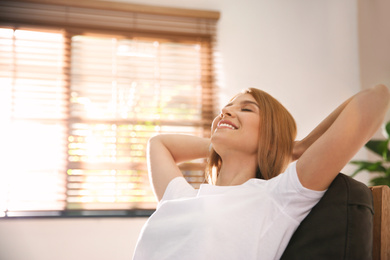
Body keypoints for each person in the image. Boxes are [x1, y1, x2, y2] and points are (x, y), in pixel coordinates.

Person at [132, 85, 390, 260]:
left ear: (271, 134)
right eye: (227, 107)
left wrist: (296, 147)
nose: (226, 111)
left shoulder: (278, 195)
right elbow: (158, 143)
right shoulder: (181, 197)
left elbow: (376, 98)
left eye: (246, 108)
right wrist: (219, 143)